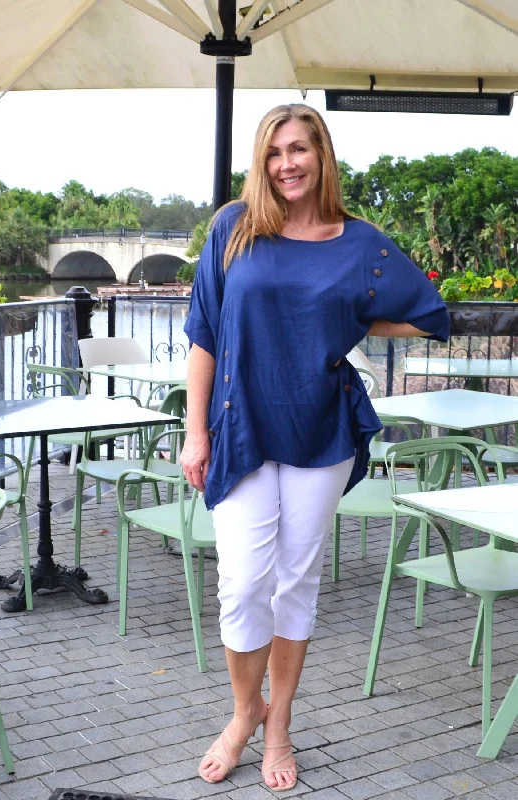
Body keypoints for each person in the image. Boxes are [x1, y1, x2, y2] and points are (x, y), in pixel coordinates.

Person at [181, 104, 450, 792]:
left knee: (294, 583)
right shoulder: (232, 228)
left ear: (321, 154)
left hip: (318, 426)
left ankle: (279, 725)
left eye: (299, 149)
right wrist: (194, 429)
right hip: (241, 425)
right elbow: (204, 332)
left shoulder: (359, 243)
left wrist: (353, 318)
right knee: (242, 585)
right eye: (274, 152)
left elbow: (425, 314)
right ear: (260, 161)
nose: (286, 164)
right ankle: (244, 715)